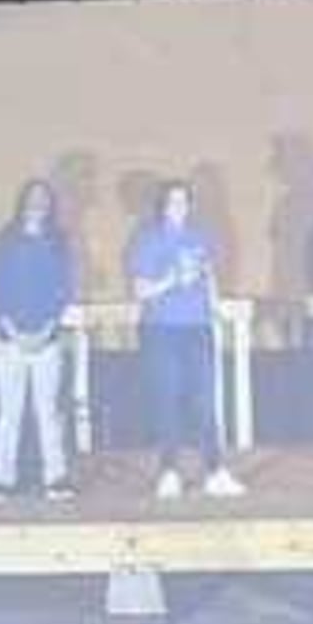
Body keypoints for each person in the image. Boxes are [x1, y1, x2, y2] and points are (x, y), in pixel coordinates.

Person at [124, 180, 242, 500]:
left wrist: (215, 307)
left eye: (184, 201)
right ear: (162, 205)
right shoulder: (148, 240)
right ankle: (169, 472)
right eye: (173, 201)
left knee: (205, 402)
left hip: (197, 328)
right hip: (162, 330)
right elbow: (141, 291)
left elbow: (208, 276)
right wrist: (172, 280)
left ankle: (215, 471)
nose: (179, 207)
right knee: (168, 401)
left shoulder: (198, 238)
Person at [0, 178, 75, 500]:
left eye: (44, 198)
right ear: (22, 201)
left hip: (46, 339)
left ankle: (56, 477)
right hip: (11, 340)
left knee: (47, 411)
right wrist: (12, 332)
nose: (38, 203)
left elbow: (64, 291)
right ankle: (2, 479)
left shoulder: (59, 242)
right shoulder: (5, 241)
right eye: (32, 197)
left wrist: (46, 331)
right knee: (9, 413)